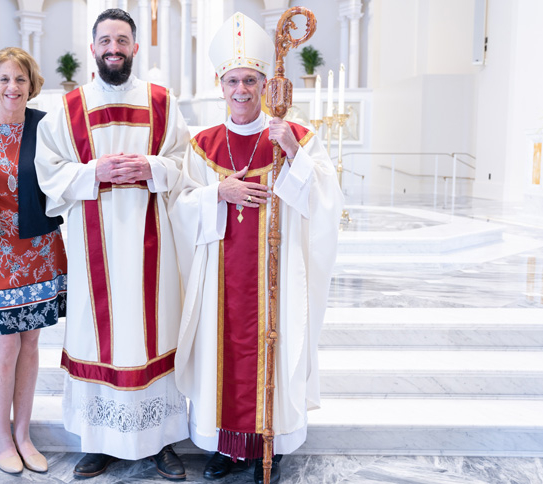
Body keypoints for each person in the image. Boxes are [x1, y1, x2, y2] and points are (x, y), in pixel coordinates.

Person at [169, 12, 343, 484]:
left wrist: (294, 156)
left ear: (266, 84)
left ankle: (272, 440)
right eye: (232, 81)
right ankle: (224, 446)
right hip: (220, 280)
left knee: (278, 344)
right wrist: (215, 195)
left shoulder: (295, 135)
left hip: (278, 279)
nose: (241, 90)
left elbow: (328, 202)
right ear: (220, 84)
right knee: (220, 352)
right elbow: (180, 208)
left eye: (250, 80)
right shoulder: (202, 144)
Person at [34, 8, 191, 481]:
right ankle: (99, 441)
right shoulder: (70, 107)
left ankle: (159, 440)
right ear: (93, 47)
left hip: (153, 247)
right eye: (105, 40)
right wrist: (92, 173)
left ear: (135, 47)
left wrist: (153, 168)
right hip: (92, 248)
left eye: (122, 40)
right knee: (96, 336)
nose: (113, 48)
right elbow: (49, 171)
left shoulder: (163, 102)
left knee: (154, 331)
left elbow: (185, 164)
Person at [0, 47, 67, 475]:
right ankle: (2, 436)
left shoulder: (46, 125)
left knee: (32, 342)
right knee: (4, 345)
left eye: (19, 79)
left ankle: (24, 433)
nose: (11, 87)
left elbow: (63, 177)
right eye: (3, 78)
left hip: (38, 250)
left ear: (31, 84)